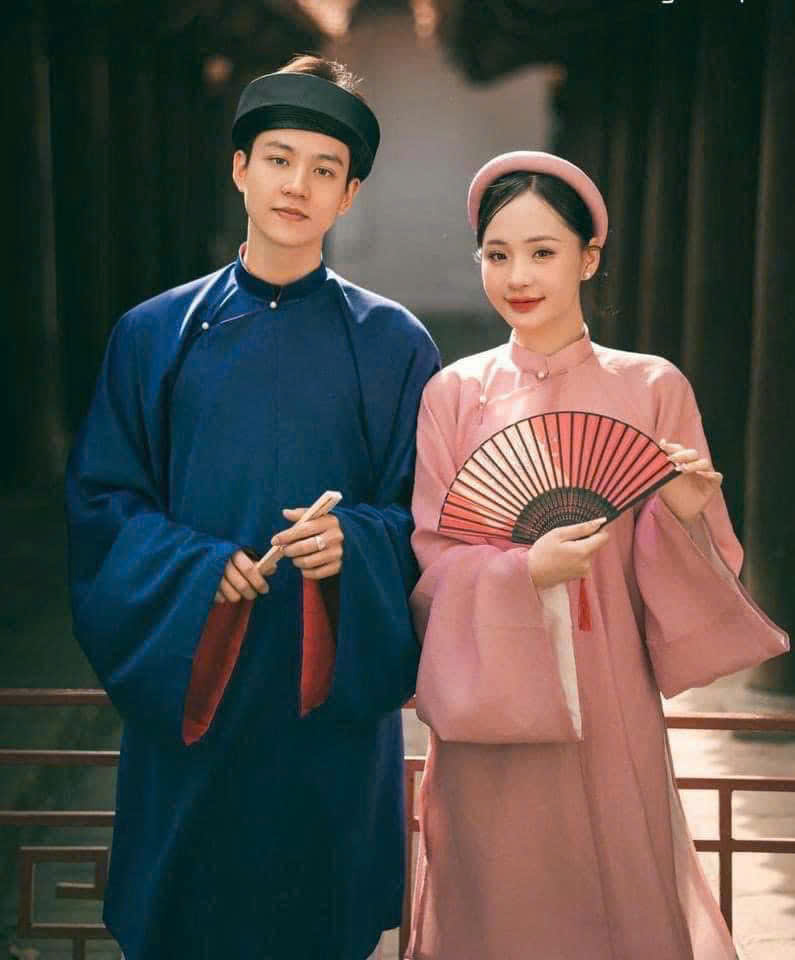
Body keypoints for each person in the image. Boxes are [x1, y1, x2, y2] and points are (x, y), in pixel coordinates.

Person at [66, 55, 439, 960]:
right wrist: (195, 566)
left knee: (318, 923)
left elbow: (430, 518)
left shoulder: (393, 343)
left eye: (323, 169)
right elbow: (102, 502)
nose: (296, 185)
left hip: (327, 700)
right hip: (197, 680)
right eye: (278, 159)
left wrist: (355, 541)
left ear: (349, 194)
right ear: (239, 168)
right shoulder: (154, 333)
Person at [405, 150, 788, 959]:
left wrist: (682, 514)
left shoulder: (651, 386)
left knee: (617, 888)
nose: (518, 276)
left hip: (610, 690)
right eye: (497, 254)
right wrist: (523, 572)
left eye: (542, 251)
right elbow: (432, 558)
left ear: (587, 259)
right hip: (492, 698)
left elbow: (704, 572)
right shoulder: (452, 393)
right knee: (495, 899)